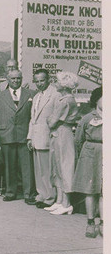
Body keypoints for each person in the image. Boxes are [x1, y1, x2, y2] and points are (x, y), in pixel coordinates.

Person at [0, 70, 36, 203]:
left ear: (21, 79)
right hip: (6, 134)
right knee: (9, 165)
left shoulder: (31, 94)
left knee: (27, 167)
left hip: (25, 135)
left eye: (18, 78)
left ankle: (29, 194)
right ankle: (10, 192)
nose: (15, 81)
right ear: (7, 80)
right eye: (13, 79)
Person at [45, 72, 79, 215]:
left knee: (65, 166)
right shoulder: (64, 98)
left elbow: (52, 121)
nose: (55, 83)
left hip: (63, 133)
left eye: (57, 81)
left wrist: (50, 119)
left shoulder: (65, 101)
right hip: (59, 133)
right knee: (57, 165)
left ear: (64, 85)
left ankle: (67, 203)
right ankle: (59, 200)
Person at [27, 69, 60, 209]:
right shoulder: (36, 97)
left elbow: (57, 116)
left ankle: (50, 197)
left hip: (47, 137)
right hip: (36, 138)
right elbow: (32, 119)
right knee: (39, 170)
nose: (39, 84)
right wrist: (29, 137)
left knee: (48, 170)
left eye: (42, 80)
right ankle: (41, 194)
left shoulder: (55, 94)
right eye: (37, 81)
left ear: (48, 80)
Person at [72, 87, 102, 237]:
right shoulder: (88, 118)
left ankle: (102, 223)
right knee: (90, 190)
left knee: (104, 191)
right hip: (90, 155)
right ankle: (90, 222)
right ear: (96, 100)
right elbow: (78, 139)